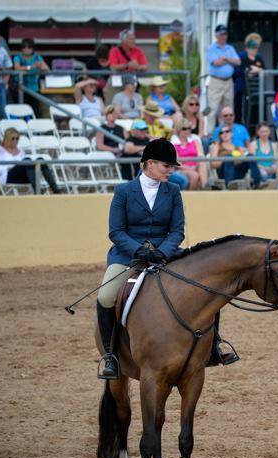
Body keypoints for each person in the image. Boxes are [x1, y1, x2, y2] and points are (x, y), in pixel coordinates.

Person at [95, 138, 241, 378]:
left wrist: (162, 251)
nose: (171, 171)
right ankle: (110, 356)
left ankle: (214, 346)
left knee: (207, 287)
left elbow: (177, 230)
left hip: (166, 253)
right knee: (106, 296)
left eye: (173, 167)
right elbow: (116, 231)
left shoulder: (173, 191)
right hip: (128, 255)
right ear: (150, 163)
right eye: (166, 166)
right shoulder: (123, 191)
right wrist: (138, 250)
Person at [0, 127, 61, 193]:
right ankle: (38, 191)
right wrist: (11, 167)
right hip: (7, 176)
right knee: (26, 161)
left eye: (17, 138)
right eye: (13, 139)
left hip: (22, 176)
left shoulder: (20, 150)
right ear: (7, 139)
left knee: (40, 160)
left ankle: (55, 189)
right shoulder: (0, 150)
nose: (15, 141)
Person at [206, 24, 240, 133]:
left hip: (228, 81)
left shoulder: (230, 48)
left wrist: (225, 58)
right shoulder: (211, 48)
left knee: (228, 109)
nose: (223, 36)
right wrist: (230, 60)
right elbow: (216, 63)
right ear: (216, 36)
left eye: (225, 34)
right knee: (212, 108)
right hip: (216, 81)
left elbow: (238, 62)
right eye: (221, 34)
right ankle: (210, 135)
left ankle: (226, 134)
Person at [250, 122, 278, 189]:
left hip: (271, 170)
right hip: (259, 170)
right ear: (258, 132)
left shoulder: (273, 145)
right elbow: (252, 162)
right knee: (263, 174)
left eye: (266, 131)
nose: (264, 134)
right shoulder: (253, 144)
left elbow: (276, 160)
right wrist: (264, 168)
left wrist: (275, 167)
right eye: (262, 132)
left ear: (269, 132)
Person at [235, 32, 265, 123]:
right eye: (254, 45)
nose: (256, 48)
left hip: (257, 89)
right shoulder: (241, 56)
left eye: (257, 46)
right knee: (242, 113)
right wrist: (249, 72)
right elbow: (237, 72)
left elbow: (264, 70)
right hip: (242, 90)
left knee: (257, 113)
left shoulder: (259, 57)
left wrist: (259, 70)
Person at [171, 118, 208, 189]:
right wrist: (190, 168)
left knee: (202, 163)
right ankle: (190, 197)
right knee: (195, 175)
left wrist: (196, 165)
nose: (187, 131)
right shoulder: (174, 143)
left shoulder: (195, 141)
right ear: (179, 130)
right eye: (184, 129)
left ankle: (205, 188)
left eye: (189, 128)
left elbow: (201, 155)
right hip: (182, 168)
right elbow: (176, 162)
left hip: (196, 166)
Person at [12, 38, 48, 109]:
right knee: (21, 111)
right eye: (24, 47)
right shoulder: (17, 57)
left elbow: (46, 68)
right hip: (20, 89)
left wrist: (41, 65)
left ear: (33, 48)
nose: (26, 49)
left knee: (35, 112)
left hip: (34, 90)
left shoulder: (37, 57)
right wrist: (30, 67)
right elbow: (17, 68)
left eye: (29, 47)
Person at [95, 105, 125, 174]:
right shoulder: (102, 128)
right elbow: (100, 146)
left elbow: (128, 142)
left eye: (115, 113)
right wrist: (113, 150)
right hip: (108, 153)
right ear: (106, 115)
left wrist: (121, 151)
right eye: (111, 113)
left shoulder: (121, 128)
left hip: (121, 152)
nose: (114, 115)